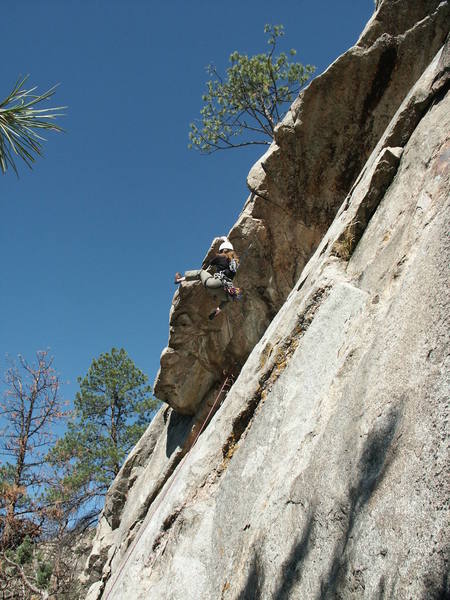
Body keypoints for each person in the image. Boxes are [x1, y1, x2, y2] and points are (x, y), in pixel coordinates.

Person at [174, 238, 241, 320]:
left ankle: (180, 279)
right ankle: (216, 312)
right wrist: (227, 241)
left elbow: (210, 262)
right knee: (227, 299)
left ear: (223, 250)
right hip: (224, 289)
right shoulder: (234, 264)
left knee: (200, 273)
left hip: (214, 283)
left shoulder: (220, 257)